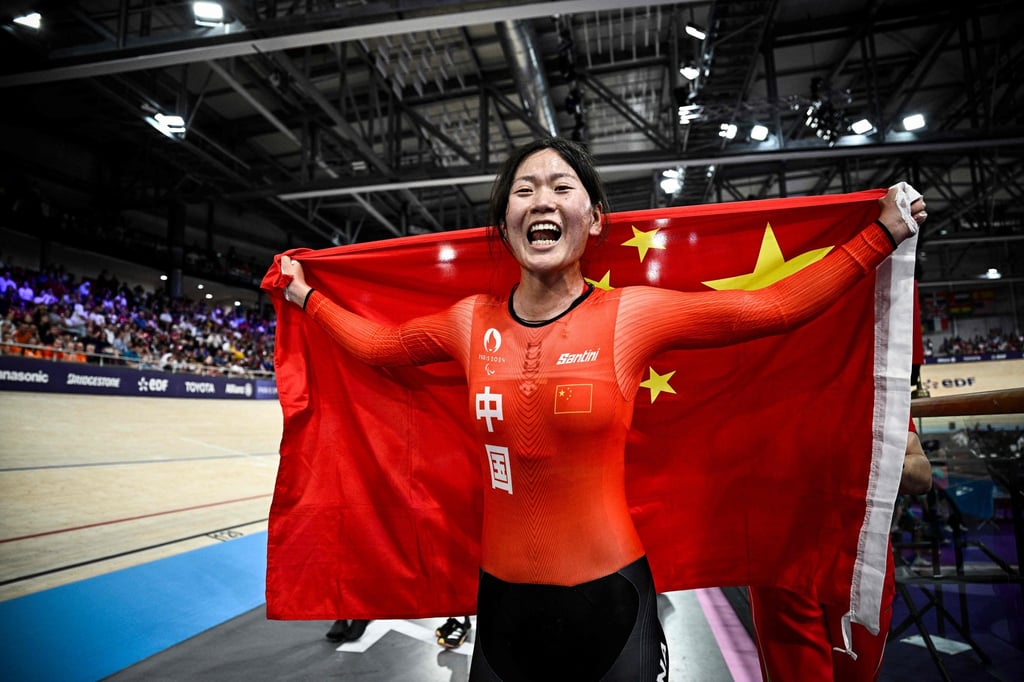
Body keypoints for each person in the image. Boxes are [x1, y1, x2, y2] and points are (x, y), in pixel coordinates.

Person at [275, 137, 925, 681]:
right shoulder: (468, 323)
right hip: (502, 609)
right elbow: (381, 347)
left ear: (596, 218)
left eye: (561, 187)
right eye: (524, 189)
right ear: (504, 222)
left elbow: (775, 308)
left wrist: (879, 236)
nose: (541, 200)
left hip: (611, 605)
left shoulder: (630, 314)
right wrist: (306, 297)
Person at [748, 424, 932, 680]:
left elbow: (922, 474)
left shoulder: (874, 386)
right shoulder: (765, 386)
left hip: (861, 562)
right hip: (782, 560)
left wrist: (884, 463)